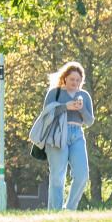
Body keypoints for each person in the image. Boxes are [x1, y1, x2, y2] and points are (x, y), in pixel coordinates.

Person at [41, 62, 95, 211]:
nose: (75, 83)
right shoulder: (55, 93)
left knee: (82, 175)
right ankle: (56, 211)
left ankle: (70, 208)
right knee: (58, 176)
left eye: (78, 80)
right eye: (72, 79)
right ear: (64, 78)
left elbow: (89, 121)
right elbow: (46, 115)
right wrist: (66, 107)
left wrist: (81, 108)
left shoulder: (84, 95)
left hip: (77, 134)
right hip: (58, 134)